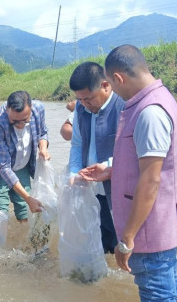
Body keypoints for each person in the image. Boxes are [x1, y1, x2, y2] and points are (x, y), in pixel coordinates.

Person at [79, 44, 177, 301]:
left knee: (157, 294)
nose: (115, 93)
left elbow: (151, 180)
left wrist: (126, 239)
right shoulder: (159, 99)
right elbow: (153, 163)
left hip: (150, 231)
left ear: (117, 79)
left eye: (113, 86)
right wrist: (111, 170)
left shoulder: (150, 112)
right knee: (167, 291)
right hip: (160, 227)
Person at [67, 61, 124, 254]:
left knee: (124, 241)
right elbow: (76, 144)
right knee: (99, 240)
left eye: (88, 99)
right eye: (79, 99)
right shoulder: (81, 108)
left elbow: (135, 154)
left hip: (119, 191)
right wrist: (74, 172)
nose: (84, 104)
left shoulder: (124, 107)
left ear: (105, 86)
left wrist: (109, 166)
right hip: (92, 189)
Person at [0, 90, 48, 222]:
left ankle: (22, 239)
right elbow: (4, 166)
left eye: (24, 120)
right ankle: (0, 241)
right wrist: (29, 199)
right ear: (7, 110)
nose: (20, 125)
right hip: (1, 168)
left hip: (23, 165)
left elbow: (43, 132)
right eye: (15, 121)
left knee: (24, 209)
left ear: (31, 108)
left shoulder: (39, 109)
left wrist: (43, 148)